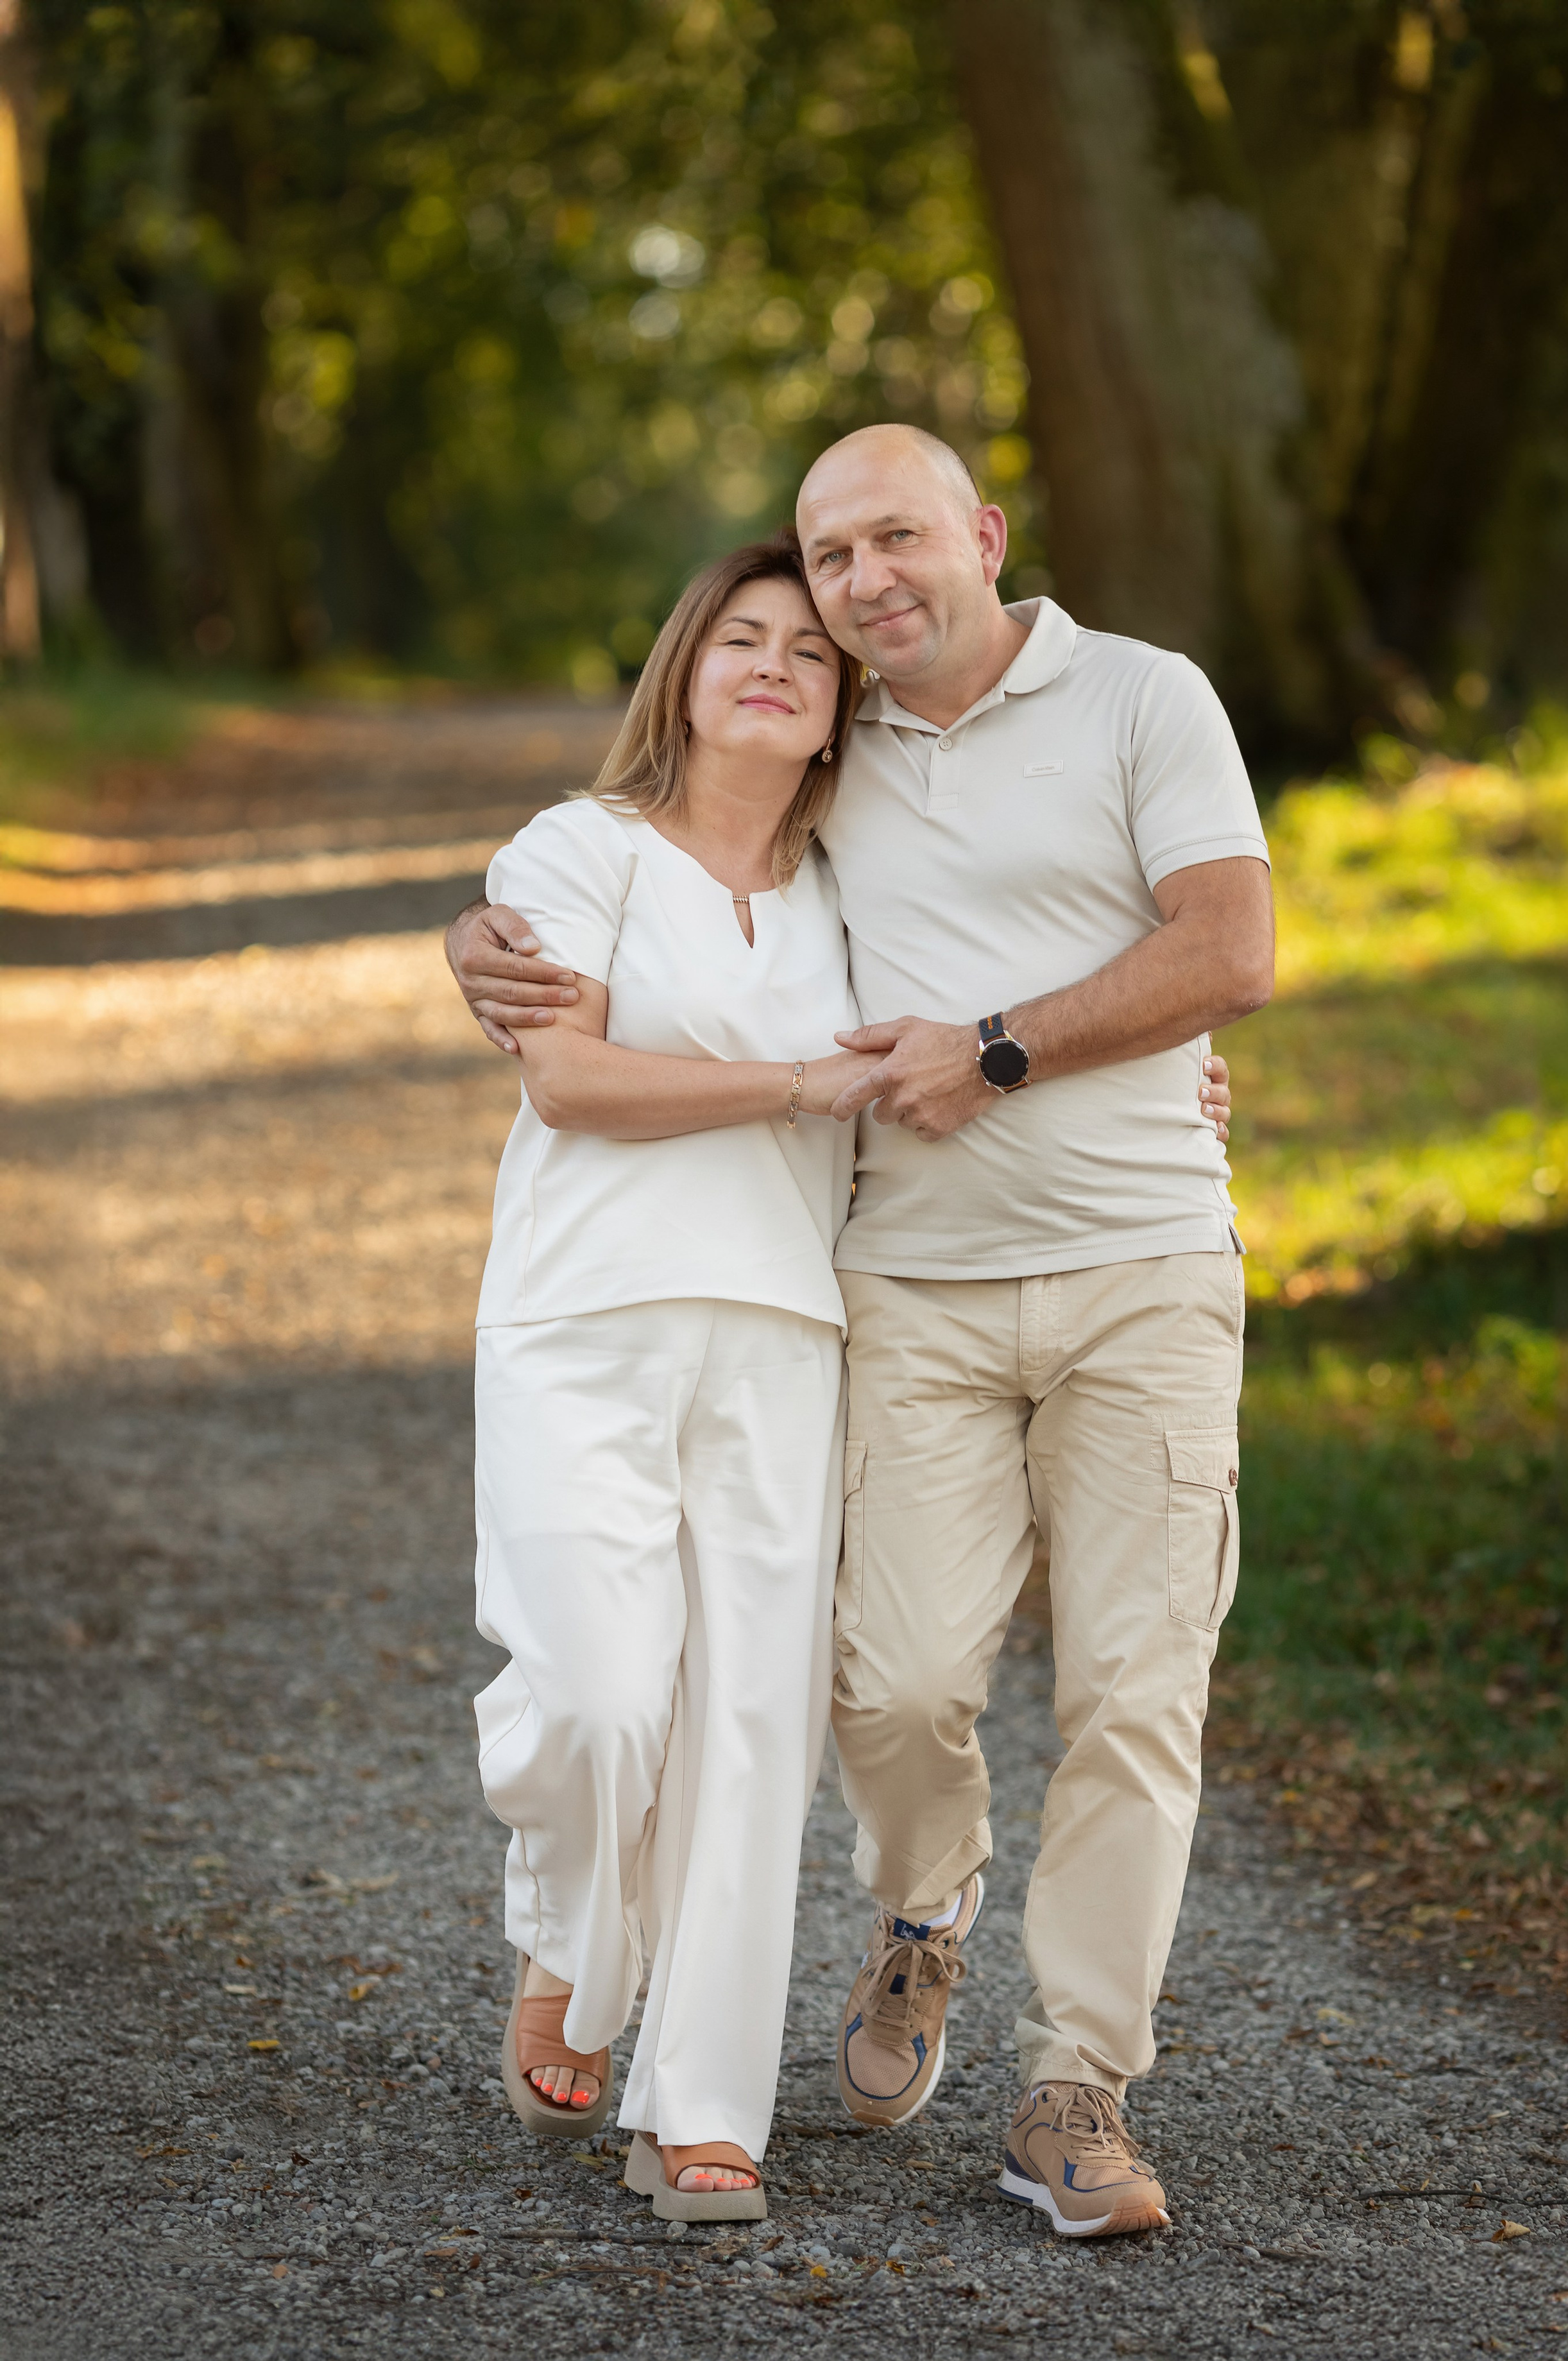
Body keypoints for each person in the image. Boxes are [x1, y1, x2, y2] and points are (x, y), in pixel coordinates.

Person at [448, 424, 1271, 2240]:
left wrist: (1035, 1055)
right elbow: (617, 936)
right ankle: (854, 1916)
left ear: (984, 533)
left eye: (892, 542)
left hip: (1087, 1278)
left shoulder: (1130, 704)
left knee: (1099, 1696)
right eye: (826, 564)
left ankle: (1046, 2090)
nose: (856, 592)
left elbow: (1224, 952)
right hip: (888, 1289)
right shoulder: (820, 763)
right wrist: (479, 945)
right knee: (864, 1690)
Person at [468, 530, 882, 2222]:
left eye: (813, 652)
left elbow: (989, 1026)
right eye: (742, 638)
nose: (776, 666)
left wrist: (1171, 1084)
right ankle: (572, 1933)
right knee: (597, 1696)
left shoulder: (862, 888)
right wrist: (792, 1085)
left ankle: (705, 2107)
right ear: (686, 672)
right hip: (583, 1317)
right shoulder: (580, 849)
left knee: (750, 1731)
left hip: (787, 1328)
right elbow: (568, 1079)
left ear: (844, 707)